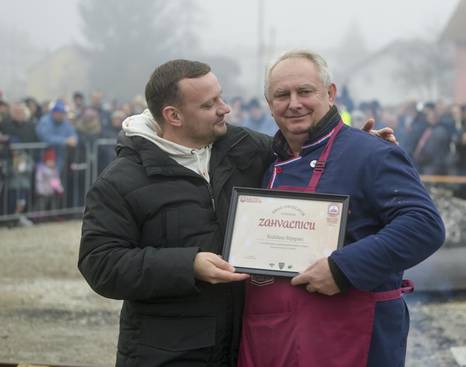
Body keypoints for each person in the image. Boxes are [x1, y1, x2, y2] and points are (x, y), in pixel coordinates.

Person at [237, 50, 445, 367]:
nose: (294, 103)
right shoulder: (267, 160)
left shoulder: (370, 152)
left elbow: (424, 226)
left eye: (305, 91)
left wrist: (342, 269)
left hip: (351, 336)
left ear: (330, 94)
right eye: (282, 95)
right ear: (269, 104)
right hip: (276, 336)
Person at [78, 60, 274, 366]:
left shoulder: (245, 147)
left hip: (243, 347)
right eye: (209, 104)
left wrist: (369, 149)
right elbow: (100, 263)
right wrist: (188, 265)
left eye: (221, 97)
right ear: (174, 115)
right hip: (165, 354)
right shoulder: (119, 181)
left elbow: (305, 154)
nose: (225, 109)